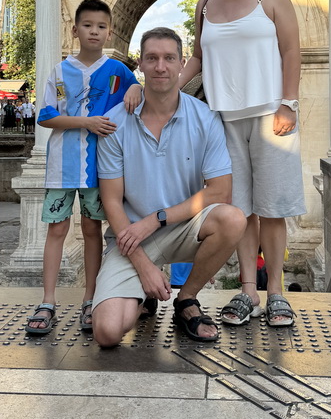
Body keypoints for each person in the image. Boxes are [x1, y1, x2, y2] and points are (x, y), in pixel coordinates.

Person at [179, 0, 306, 328]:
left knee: (272, 208)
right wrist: (166, 88)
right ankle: (247, 290)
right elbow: (197, 57)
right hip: (223, 121)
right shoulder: (204, 5)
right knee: (240, 208)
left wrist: (289, 103)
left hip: (271, 117)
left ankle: (276, 294)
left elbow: (291, 51)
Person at [92, 27, 247, 348]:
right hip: (132, 238)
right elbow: (112, 203)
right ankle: (143, 300)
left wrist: (156, 219)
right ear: (141, 65)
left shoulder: (204, 118)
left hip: (183, 227)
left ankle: (186, 299)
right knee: (107, 333)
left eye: (168, 58)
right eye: (152, 58)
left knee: (232, 218)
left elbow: (220, 191)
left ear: (181, 64)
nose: (160, 66)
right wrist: (144, 267)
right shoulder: (114, 122)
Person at [25, 0, 142, 335]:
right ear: (75, 30)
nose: (94, 31)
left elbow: (136, 89)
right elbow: (46, 116)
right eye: (88, 25)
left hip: (99, 169)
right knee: (57, 231)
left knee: (92, 231)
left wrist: (135, 86)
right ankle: (48, 301)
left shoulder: (118, 71)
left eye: (101, 26)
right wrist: (86, 122)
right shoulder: (60, 71)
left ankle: (90, 299)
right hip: (62, 166)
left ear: (110, 32)